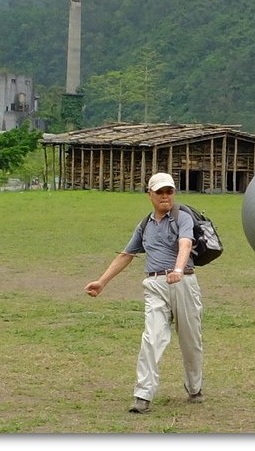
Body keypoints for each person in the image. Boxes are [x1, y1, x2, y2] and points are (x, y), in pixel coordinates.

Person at [84, 172, 204, 414]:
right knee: (151, 338)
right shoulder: (144, 225)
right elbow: (126, 254)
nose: (165, 196)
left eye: (169, 191)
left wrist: (179, 269)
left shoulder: (183, 217)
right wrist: (102, 282)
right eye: (159, 192)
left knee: (190, 340)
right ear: (149, 194)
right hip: (154, 285)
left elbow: (185, 244)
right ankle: (143, 394)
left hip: (183, 283)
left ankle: (194, 388)